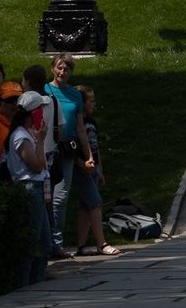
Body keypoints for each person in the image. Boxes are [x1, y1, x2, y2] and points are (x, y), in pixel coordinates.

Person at [44, 54, 96, 257]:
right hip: (47, 149)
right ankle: (47, 241)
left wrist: (88, 154)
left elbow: (80, 128)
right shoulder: (45, 91)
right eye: (59, 68)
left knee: (60, 197)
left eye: (66, 69)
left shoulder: (75, 96)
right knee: (45, 197)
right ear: (52, 68)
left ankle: (57, 243)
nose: (62, 72)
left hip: (67, 151)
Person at [9, 90, 54, 285]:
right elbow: (35, 165)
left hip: (36, 187)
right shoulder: (21, 136)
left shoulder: (29, 133)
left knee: (45, 241)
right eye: (41, 109)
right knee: (33, 238)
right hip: (29, 188)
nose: (43, 113)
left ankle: (38, 280)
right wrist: (42, 139)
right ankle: (24, 282)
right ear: (32, 113)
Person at [69, 85, 118, 256]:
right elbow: (71, 148)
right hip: (82, 168)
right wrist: (81, 164)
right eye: (91, 101)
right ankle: (101, 243)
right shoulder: (75, 123)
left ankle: (81, 245)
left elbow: (96, 146)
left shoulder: (92, 122)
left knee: (85, 206)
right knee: (95, 203)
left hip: (94, 167)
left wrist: (100, 169)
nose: (94, 104)